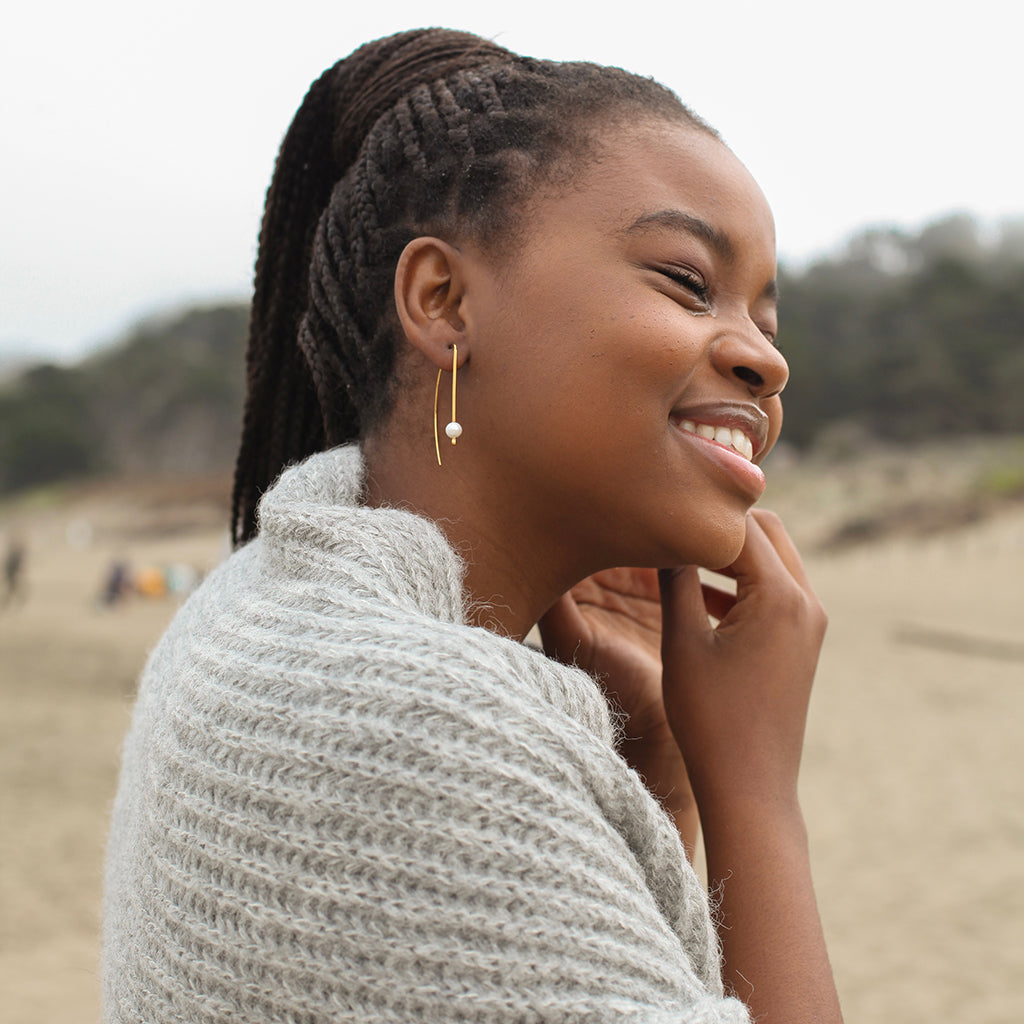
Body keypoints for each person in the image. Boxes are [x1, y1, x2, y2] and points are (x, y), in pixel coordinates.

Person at [103, 28, 842, 1024]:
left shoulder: (270, 606)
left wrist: (650, 782)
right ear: (441, 300)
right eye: (686, 280)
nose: (763, 360)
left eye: (766, 317)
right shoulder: (410, 725)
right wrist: (752, 789)